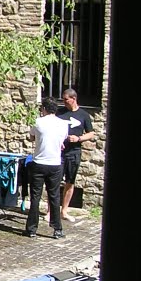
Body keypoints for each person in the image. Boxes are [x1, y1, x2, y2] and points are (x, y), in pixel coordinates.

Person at [24, 97, 70, 239]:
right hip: (55, 164)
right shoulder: (63, 124)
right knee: (54, 196)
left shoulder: (38, 122)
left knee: (35, 197)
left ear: (44, 108)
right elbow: (62, 141)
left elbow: (31, 137)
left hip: (39, 163)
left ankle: (32, 229)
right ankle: (57, 229)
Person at [57, 87, 95, 220]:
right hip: (59, 152)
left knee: (70, 181)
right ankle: (51, 212)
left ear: (74, 99)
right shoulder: (59, 113)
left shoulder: (84, 115)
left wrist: (78, 138)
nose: (64, 102)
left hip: (74, 152)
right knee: (54, 182)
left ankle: (64, 211)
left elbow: (91, 133)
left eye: (66, 100)